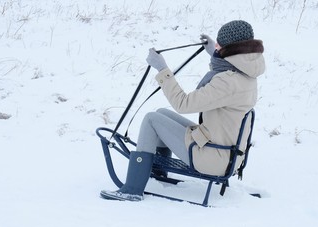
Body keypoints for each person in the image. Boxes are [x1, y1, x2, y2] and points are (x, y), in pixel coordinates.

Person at [100, 20, 265, 201]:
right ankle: (158, 171)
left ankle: (132, 189)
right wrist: (214, 53)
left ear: (232, 49)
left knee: (151, 119)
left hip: (212, 158)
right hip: (226, 153)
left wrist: (162, 69)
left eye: (220, 44)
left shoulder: (227, 82)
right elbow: (225, 73)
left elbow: (183, 103)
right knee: (161, 113)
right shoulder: (246, 73)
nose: (216, 46)